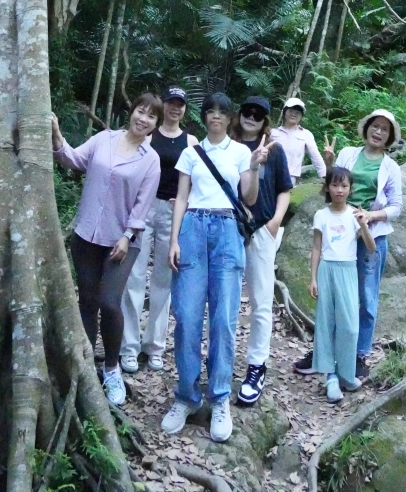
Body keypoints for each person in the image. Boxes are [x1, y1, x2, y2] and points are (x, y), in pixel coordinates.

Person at [162, 92, 269, 443]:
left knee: (223, 318)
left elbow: (249, 198)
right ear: (204, 116)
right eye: (210, 112)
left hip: (226, 230)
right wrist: (174, 239)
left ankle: (220, 396)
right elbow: (181, 196)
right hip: (193, 227)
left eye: (222, 112)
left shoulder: (240, 152)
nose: (216, 117)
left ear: (230, 117)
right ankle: (187, 396)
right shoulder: (191, 152)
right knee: (188, 315)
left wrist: (254, 167)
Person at [51, 94, 162, 407]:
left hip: (121, 242)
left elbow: (143, 205)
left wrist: (127, 236)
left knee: (109, 303)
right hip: (86, 233)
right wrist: (57, 136)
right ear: (132, 112)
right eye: (141, 111)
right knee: (86, 301)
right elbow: (73, 159)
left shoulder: (150, 159)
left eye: (151, 116)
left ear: (155, 124)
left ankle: (111, 368)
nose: (143, 119)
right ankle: (85, 367)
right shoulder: (104, 139)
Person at [294, 109, 403, 379]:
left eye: (384, 130)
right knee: (331, 295)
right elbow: (335, 183)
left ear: (390, 137)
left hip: (370, 236)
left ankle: (358, 355)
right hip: (340, 233)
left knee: (366, 298)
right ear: (366, 128)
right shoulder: (349, 154)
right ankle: (322, 352)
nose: (378, 132)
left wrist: (370, 216)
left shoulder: (391, 167)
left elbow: (396, 207)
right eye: (374, 126)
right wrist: (329, 164)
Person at [120, 87, 198, 374]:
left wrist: (186, 203)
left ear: (185, 109)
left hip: (173, 211)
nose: (175, 109)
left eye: (180, 105)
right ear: (163, 106)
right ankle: (129, 347)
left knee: (164, 279)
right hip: (143, 208)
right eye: (171, 103)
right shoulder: (149, 135)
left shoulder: (190, 141)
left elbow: (194, 178)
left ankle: (155, 346)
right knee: (134, 276)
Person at [230, 96, 293, 405]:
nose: (252, 117)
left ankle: (257, 366)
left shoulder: (275, 151)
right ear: (239, 114)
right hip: (229, 231)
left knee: (261, 302)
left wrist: (276, 222)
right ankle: (221, 359)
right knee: (224, 300)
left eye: (259, 114)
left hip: (262, 230)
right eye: (247, 111)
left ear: (265, 119)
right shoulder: (228, 145)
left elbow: (285, 189)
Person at [310, 166, 376, 401]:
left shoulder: (354, 215)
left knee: (350, 326)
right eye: (335, 185)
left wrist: (364, 224)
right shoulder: (321, 215)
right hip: (327, 269)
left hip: (348, 270)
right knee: (326, 323)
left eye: (344, 186)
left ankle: (346, 373)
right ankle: (330, 377)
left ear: (350, 189)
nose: (339, 190)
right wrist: (313, 278)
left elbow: (371, 247)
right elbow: (317, 247)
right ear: (328, 187)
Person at [270, 97, 326, 185]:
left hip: (290, 178)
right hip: (270, 176)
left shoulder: (306, 134)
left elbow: (315, 156)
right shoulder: (273, 133)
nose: (293, 114)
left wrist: (324, 176)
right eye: (290, 111)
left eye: (297, 112)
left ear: (301, 116)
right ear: (284, 112)